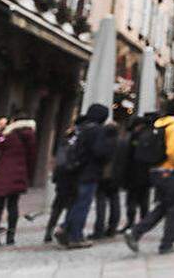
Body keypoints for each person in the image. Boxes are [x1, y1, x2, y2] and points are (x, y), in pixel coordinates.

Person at [125, 96, 174, 255]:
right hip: (169, 171)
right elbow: (173, 150)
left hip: (155, 170)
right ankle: (167, 244)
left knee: (163, 206)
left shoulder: (158, 123)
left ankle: (135, 233)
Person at [59, 103, 115, 249]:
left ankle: (65, 227)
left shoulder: (80, 128)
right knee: (83, 204)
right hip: (89, 172)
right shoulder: (97, 131)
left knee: (75, 202)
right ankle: (75, 236)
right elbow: (99, 152)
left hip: (75, 171)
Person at [0, 115, 36, 247]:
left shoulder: (8, 135)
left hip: (4, 175)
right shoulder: (31, 136)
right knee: (13, 207)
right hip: (19, 176)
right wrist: (28, 177)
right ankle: (11, 237)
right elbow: (31, 158)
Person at [45, 128, 81, 244]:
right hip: (71, 181)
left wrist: (56, 178)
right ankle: (65, 231)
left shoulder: (62, 145)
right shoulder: (74, 146)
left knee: (57, 208)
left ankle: (48, 232)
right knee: (70, 208)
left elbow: (58, 164)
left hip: (62, 181)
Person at [89, 121, 124, 239]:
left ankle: (99, 229)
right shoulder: (121, 142)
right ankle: (112, 228)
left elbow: (98, 155)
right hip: (117, 176)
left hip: (103, 176)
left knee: (101, 203)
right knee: (115, 202)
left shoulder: (103, 143)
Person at [120, 115, 153, 231]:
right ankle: (144, 221)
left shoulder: (135, 136)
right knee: (143, 199)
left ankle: (131, 222)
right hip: (146, 174)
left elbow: (128, 156)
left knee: (132, 200)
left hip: (133, 173)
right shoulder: (151, 135)